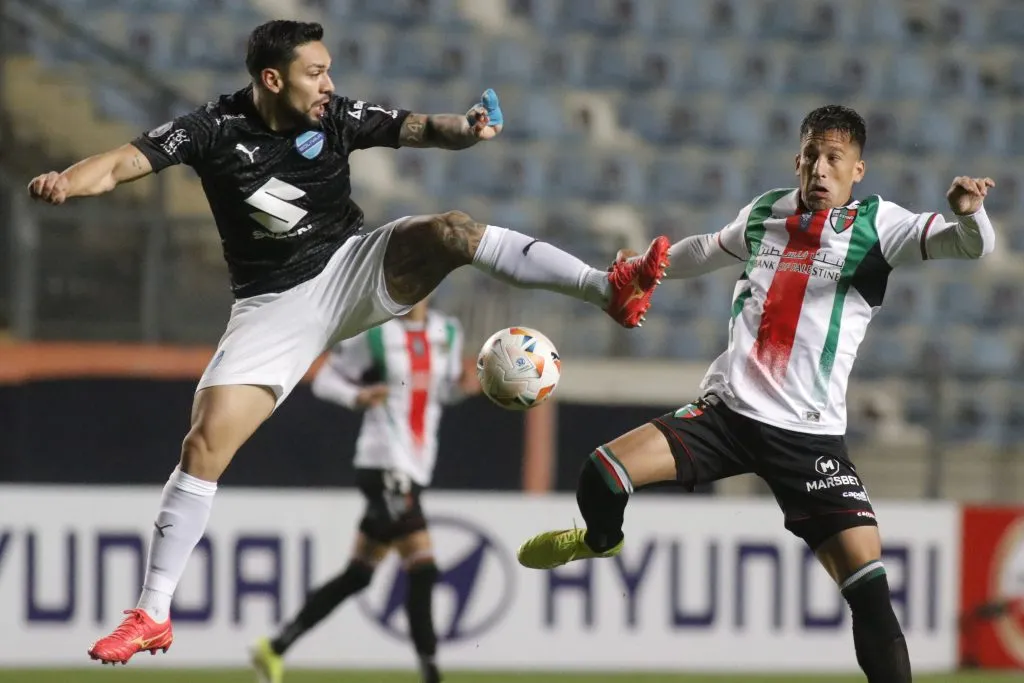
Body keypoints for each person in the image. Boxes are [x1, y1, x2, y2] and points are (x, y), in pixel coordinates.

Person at [25, 20, 670, 664]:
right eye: (316, 73)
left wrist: (467, 127)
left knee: (452, 230)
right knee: (204, 442)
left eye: (329, 69)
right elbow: (119, 163)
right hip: (273, 307)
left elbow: (416, 128)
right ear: (271, 80)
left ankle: (604, 288)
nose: (329, 84)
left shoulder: (336, 115)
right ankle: (152, 613)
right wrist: (67, 181)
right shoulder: (212, 130)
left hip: (352, 267)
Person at [516, 105, 996, 683]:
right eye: (812, 156)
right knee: (601, 473)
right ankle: (600, 540)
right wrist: (650, 267)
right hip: (727, 414)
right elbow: (706, 248)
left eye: (834, 159)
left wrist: (972, 215)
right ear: (799, 159)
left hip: (809, 438)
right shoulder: (768, 211)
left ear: (857, 170)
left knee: (869, 594)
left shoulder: (880, 225)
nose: (820, 169)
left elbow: (969, 246)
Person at [250, 298, 476, 683]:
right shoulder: (376, 332)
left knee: (359, 574)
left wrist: (468, 388)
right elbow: (325, 379)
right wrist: (357, 396)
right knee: (423, 568)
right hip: (382, 461)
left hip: (416, 467)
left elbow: (442, 392)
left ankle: (275, 647)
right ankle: (432, 674)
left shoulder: (448, 332)